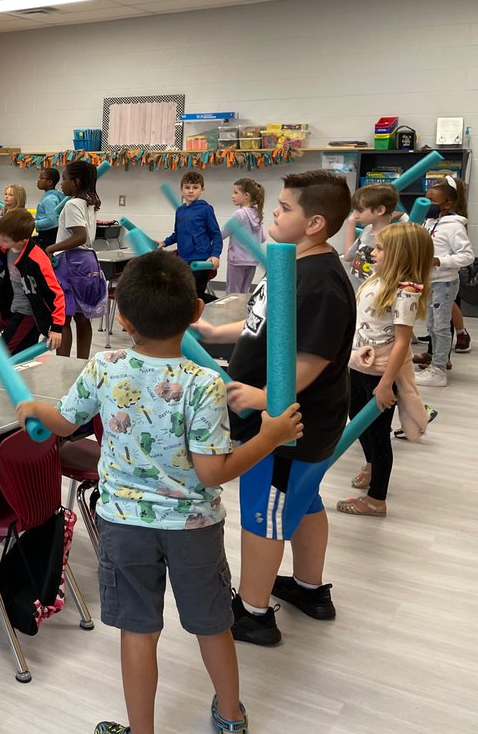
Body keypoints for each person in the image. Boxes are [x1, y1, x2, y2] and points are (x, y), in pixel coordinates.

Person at [17, 251, 302, 734]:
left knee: (137, 630)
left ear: (121, 319)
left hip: (124, 526)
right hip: (194, 527)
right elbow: (214, 471)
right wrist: (271, 436)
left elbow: (62, 424)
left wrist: (33, 406)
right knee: (213, 625)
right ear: (196, 312)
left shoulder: (104, 368)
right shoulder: (205, 381)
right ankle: (231, 721)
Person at [193, 169, 355, 647]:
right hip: (294, 422)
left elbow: (311, 358)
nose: (271, 216)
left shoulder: (322, 281)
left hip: (289, 427)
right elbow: (261, 321)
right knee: (304, 504)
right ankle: (310, 589)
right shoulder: (289, 264)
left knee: (263, 515)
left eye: (284, 208)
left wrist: (264, 399)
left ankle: (253, 613)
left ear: (315, 223)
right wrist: (214, 331)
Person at [338, 221, 433, 517]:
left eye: (380, 248)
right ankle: (370, 463)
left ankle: (376, 499)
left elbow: (403, 342)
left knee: (379, 436)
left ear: (400, 255)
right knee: (356, 419)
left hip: (380, 372)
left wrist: (385, 383)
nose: (373, 252)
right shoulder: (375, 280)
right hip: (360, 365)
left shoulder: (405, 292)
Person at [0, 207, 63, 354]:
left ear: (23, 240)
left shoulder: (36, 260)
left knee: (0, 355)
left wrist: (57, 328)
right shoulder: (10, 249)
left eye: (4, 239)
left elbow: (56, 293)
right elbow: (7, 271)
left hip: (29, 315)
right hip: (15, 310)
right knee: (21, 356)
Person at [415, 176, 473, 387]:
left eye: (432, 200)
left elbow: (467, 256)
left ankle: (439, 370)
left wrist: (440, 260)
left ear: (448, 202)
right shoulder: (430, 222)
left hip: (445, 283)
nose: (426, 202)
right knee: (431, 325)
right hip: (431, 282)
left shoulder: (454, 226)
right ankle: (436, 361)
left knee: (440, 327)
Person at [46, 160, 107, 358]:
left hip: (71, 263)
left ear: (77, 181)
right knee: (82, 318)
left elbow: (79, 236)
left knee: (63, 318)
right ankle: (82, 363)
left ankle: (63, 364)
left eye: (64, 179)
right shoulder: (89, 203)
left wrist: (50, 248)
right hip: (88, 261)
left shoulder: (72, 204)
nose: (61, 184)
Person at [162, 171, 222, 303]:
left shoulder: (205, 209)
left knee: (195, 295)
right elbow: (177, 233)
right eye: (187, 187)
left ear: (202, 190)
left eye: (195, 187)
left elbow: (216, 234)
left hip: (201, 259)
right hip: (183, 259)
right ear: (181, 190)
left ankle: (221, 305)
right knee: (185, 294)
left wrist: (215, 255)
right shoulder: (180, 210)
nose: (191, 191)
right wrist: (164, 243)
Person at [341, 183, 400, 292]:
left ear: (380, 210)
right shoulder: (367, 229)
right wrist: (350, 225)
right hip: (356, 292)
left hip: (375, 296)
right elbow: (348, 256)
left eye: (359, 210)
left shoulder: (392, 237)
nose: (354, 215)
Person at [225, 178, 265, 295]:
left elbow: (223, 233)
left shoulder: (239, 214)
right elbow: (263, 238)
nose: (232, 196)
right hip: (252, 260)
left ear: (246, 195)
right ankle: (242, 313)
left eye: (236, 192)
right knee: (244, 292)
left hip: (237, 260)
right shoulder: (257, 213)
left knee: (232, 293)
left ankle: (232, 313)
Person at [34, 168, 65, 249]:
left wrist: (31, 223)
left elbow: (51, 221)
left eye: (41, 178)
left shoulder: (49, 199)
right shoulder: (54, 196)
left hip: (48, 237)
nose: (38, 180)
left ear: (49, 182)